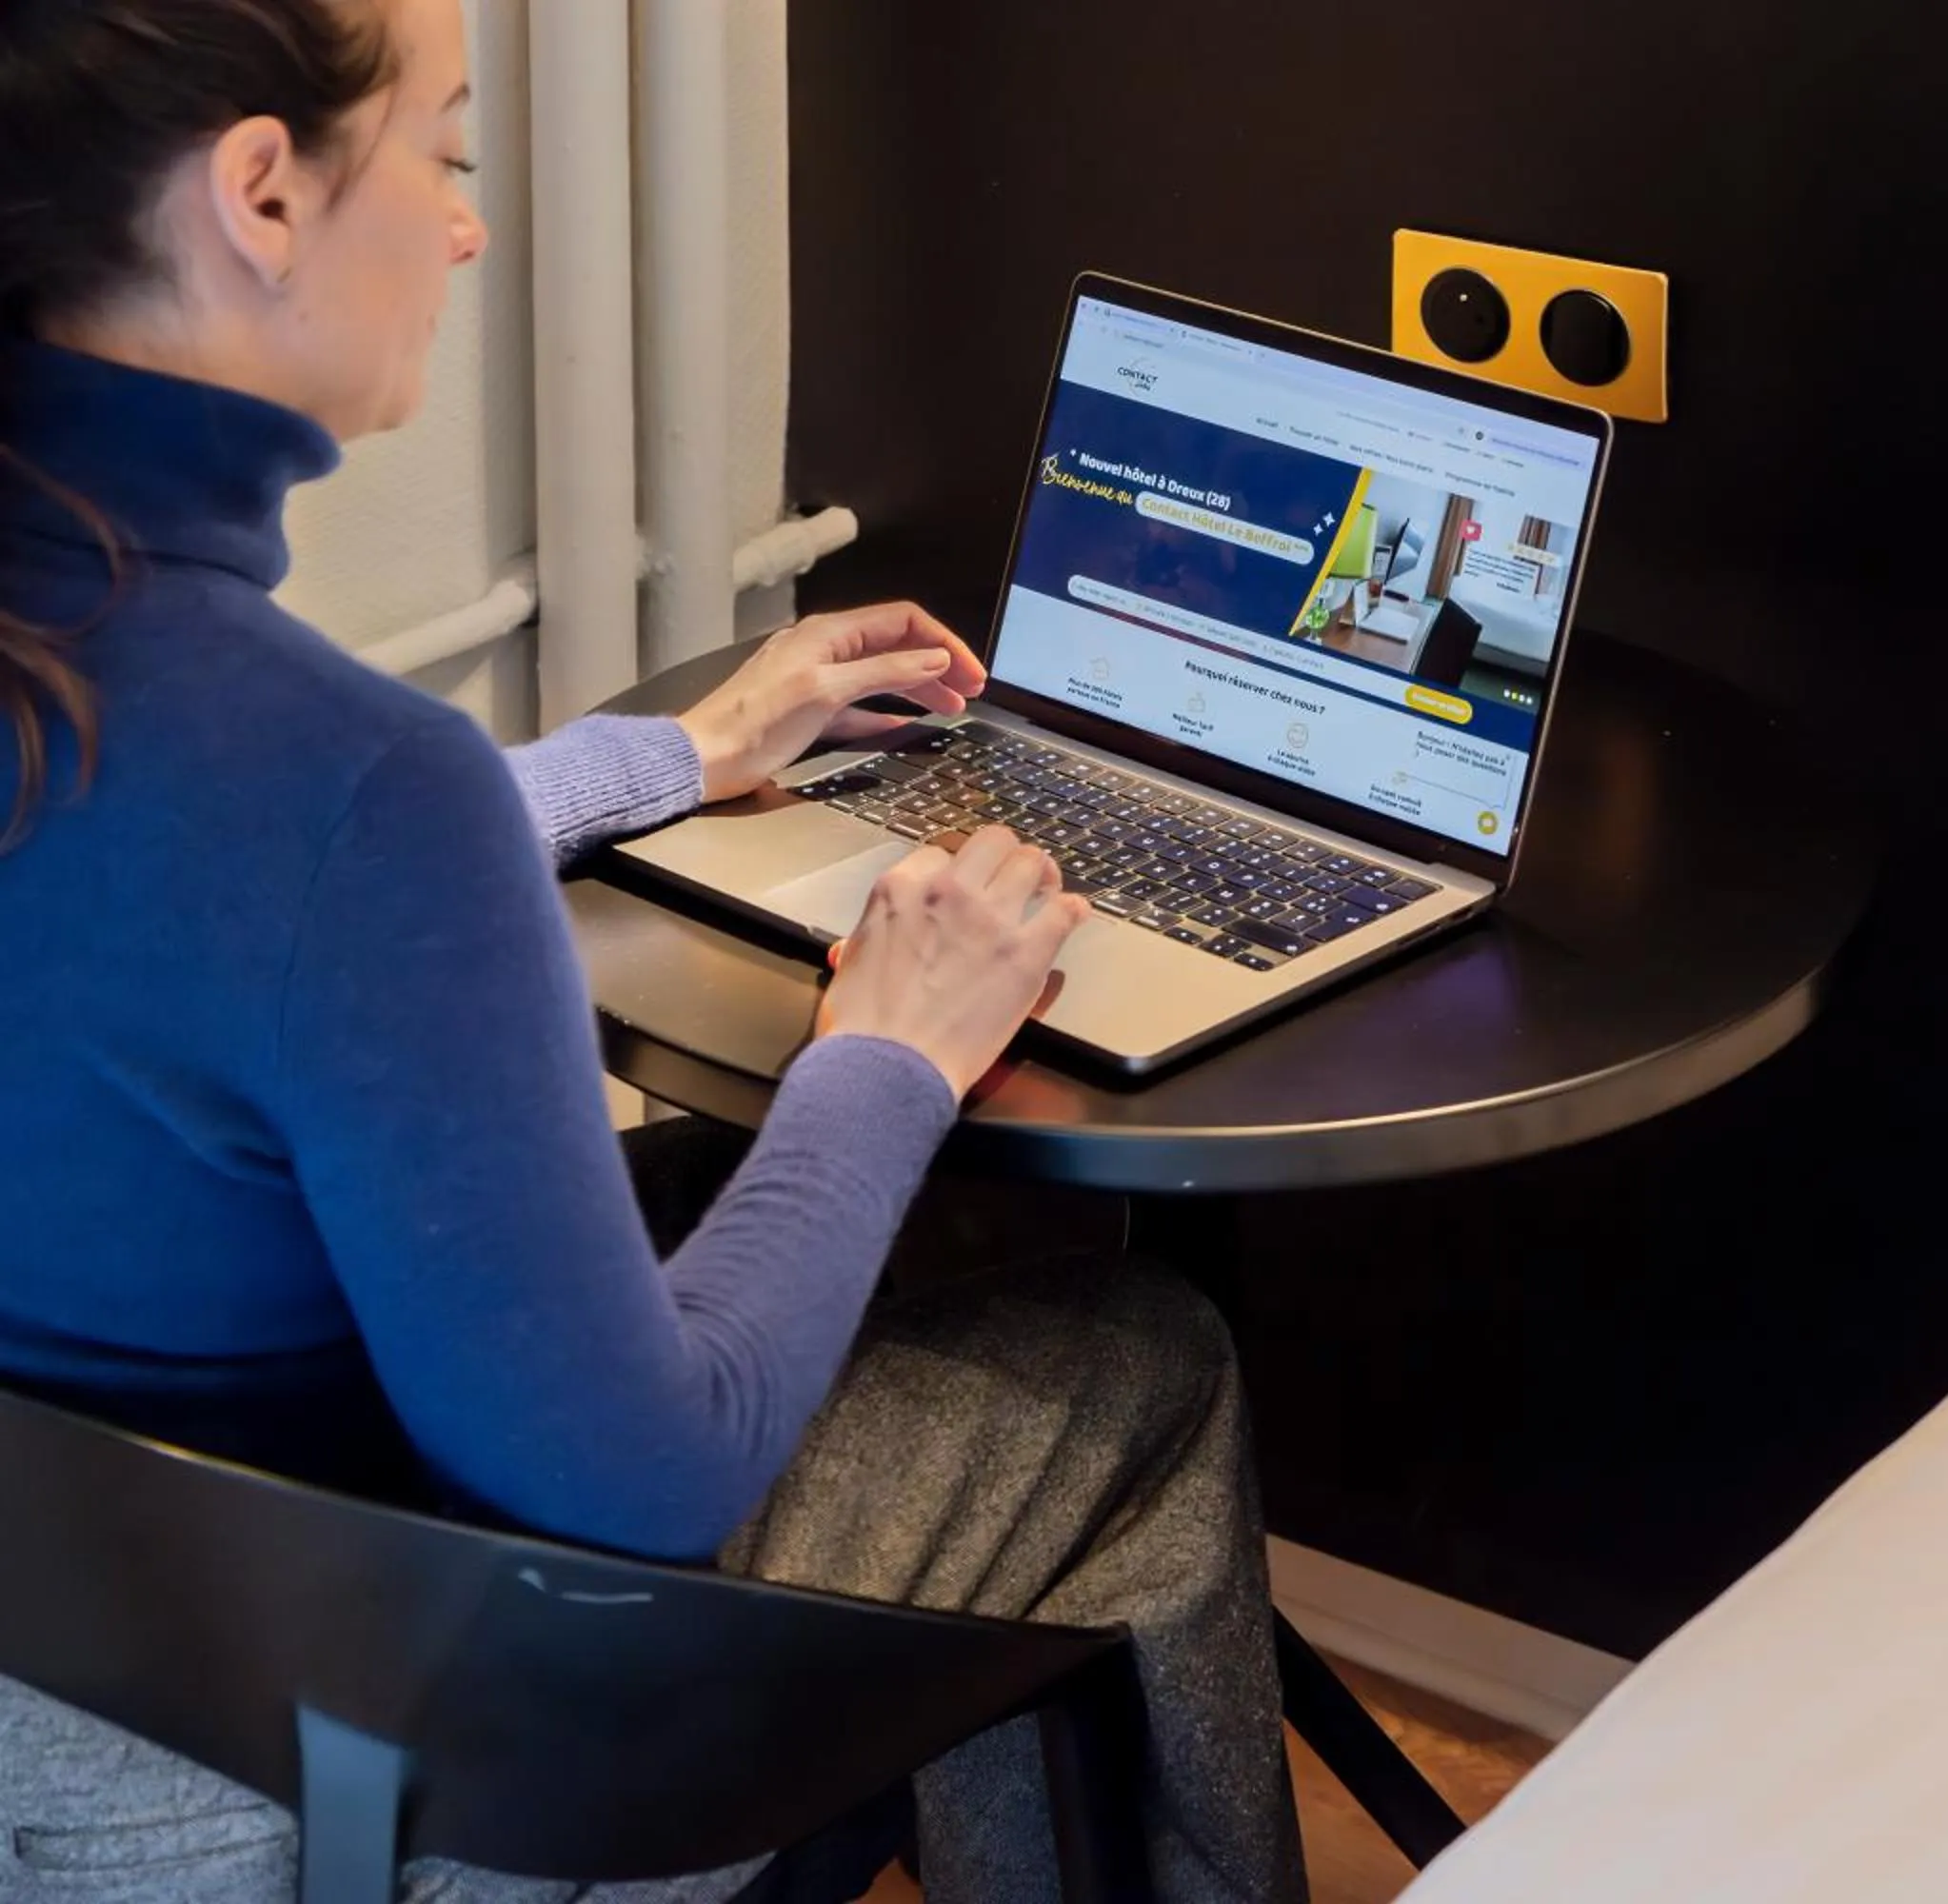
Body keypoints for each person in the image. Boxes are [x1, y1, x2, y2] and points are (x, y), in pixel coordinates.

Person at [0, 2, 1308, 1899]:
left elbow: (222, 894)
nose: (464, 230)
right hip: (372, 1786)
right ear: (262, 196)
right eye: (447, 152)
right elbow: (648, 1477)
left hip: (58, 1725)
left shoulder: (169, 719)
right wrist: (895, 1050)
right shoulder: (354, 796)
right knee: (1138, 1363)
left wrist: (673, 752)